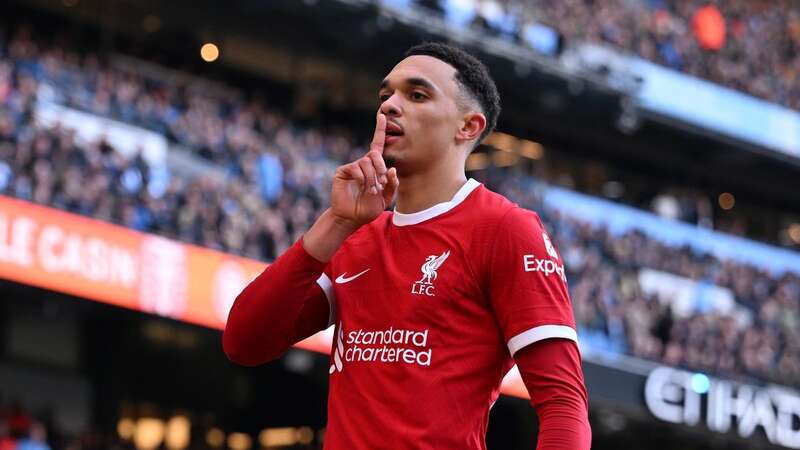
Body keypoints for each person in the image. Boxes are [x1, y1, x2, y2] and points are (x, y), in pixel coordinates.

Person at [223, 42, 591, 449]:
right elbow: (245, 341)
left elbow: (563, 405)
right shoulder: (355, 235)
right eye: (385, 96)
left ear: (467, 127)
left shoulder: (505, 229)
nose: (389, 107)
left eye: (416, 95)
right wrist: (336, 222)